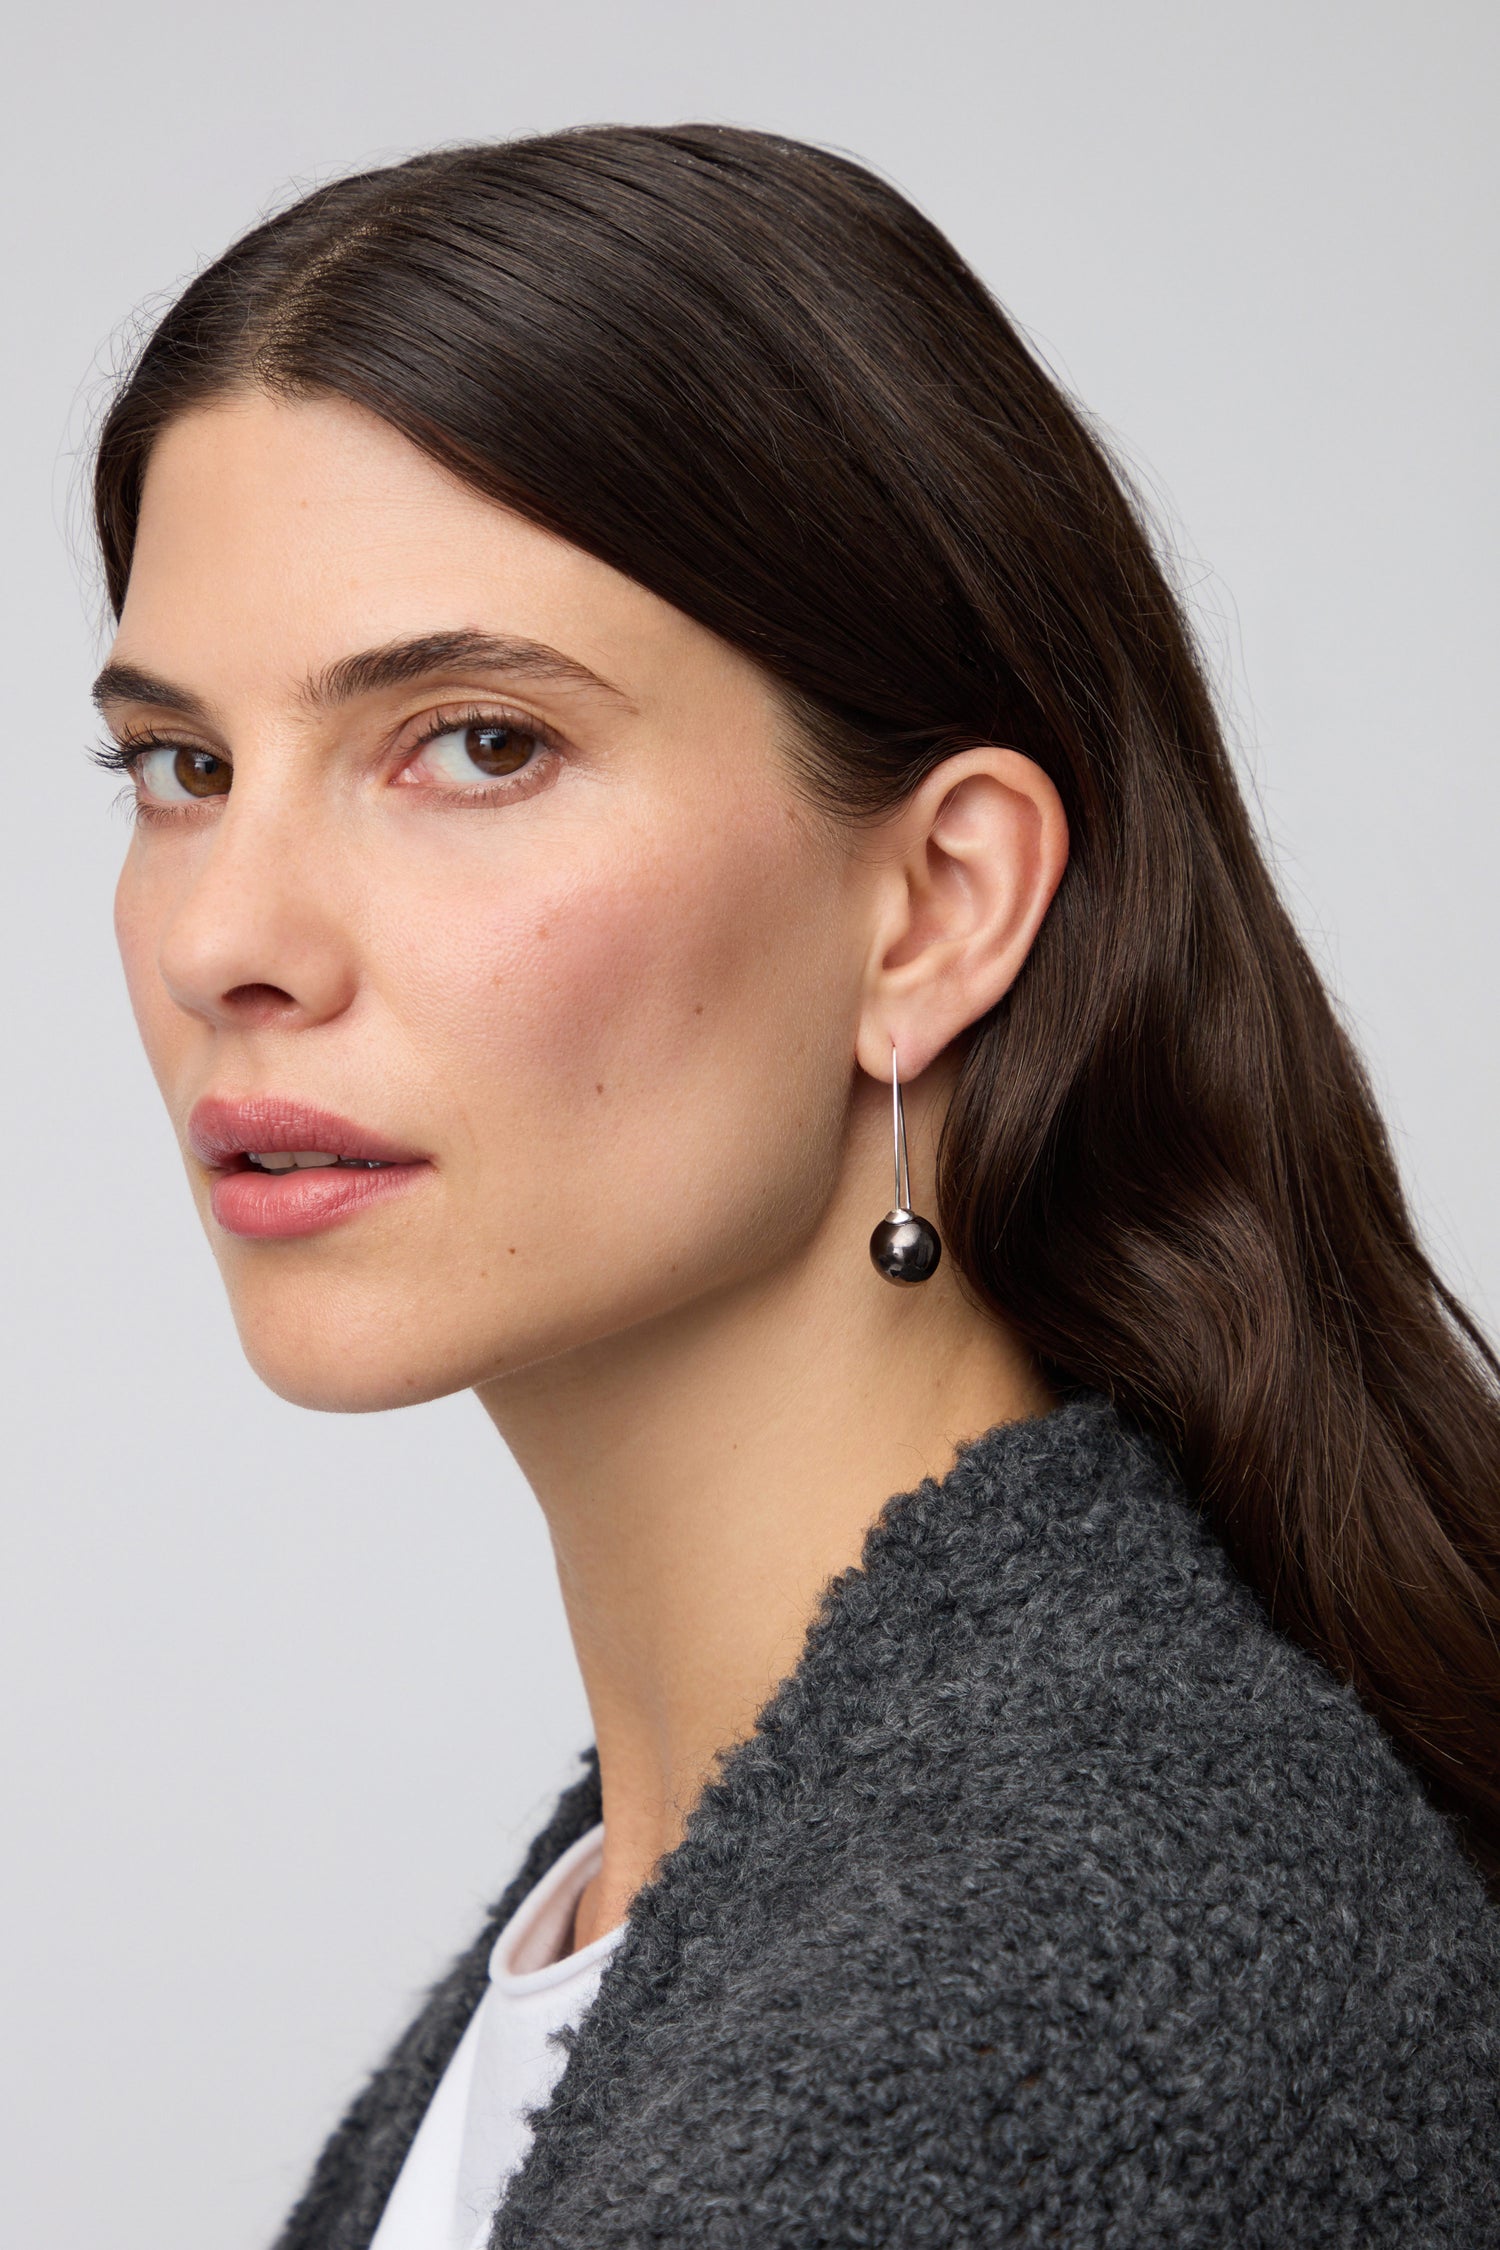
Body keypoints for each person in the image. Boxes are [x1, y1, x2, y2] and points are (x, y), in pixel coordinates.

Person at [88, 124, 1500, 2247]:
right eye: (182, 768)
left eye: (476, 743)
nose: (226, 941)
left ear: (936, 903)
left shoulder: (1082, 1980)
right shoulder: (721, 1913)